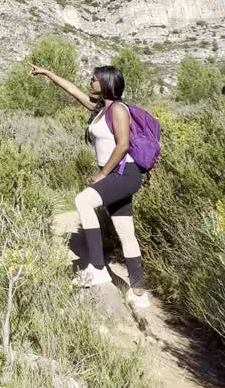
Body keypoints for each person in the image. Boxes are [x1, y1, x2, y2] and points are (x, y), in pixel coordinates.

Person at [30, 62, 150, 309]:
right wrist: (48, 72)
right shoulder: (99, 109)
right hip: (116, 173)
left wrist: (102, 173)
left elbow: (123, 145)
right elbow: (73, 91)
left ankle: (97, 268)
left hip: (123, 173)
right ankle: (138, 291)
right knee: (125, 228)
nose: (90, 82)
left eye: (94, 79)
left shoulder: (118, 109)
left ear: (106, 82)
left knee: (83, 200)